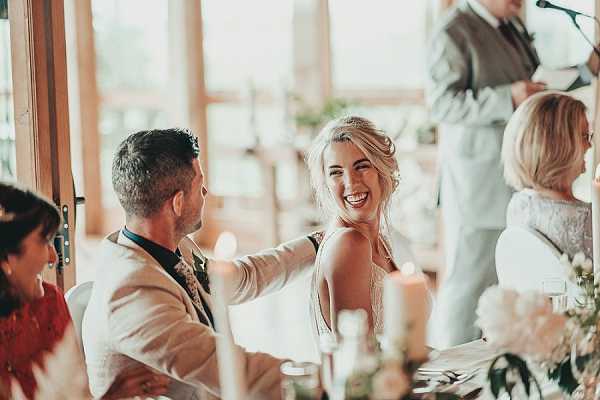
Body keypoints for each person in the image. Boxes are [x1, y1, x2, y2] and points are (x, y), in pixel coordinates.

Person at [82, 128, 319, 400]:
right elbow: (220, 365)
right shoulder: (132, 291)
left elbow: (242, 278)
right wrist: (318, 382)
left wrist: (316, 243)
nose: (205, 191)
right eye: (199, 184)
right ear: (178, 202)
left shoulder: (170, 246)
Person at [426, 0, 599, 348]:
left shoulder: (513, 28)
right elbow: (440, 102)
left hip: (531, 178)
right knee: (471, 279)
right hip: (479, 182)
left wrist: (586, 70)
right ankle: (449, 365)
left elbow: (538, 88)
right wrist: (508, 96)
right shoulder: (453, 30)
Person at [0, 182, 170, 399]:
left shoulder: (49, 302)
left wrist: (113, 395)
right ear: (6, 256)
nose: (53, 257)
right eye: (43, 241)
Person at [306, 115, 418, 341]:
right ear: (326, 183)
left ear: (382, 170)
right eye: (336, 172)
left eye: (362, 166)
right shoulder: (349, 244)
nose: (351, 183)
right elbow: (359, 364)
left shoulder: (383, 240)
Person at [502, 92, 592, 259]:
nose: (589, 145)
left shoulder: (519, 206)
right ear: (558, 145)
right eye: (584, 136)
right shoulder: (586, 220)